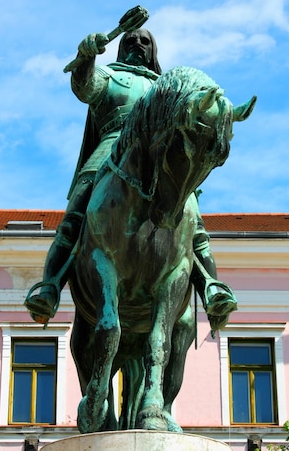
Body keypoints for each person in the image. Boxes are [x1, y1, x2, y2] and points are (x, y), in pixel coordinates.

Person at [25, 28, 237, 331]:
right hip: (111, 152)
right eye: (131, 40)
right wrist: (86, 57)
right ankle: (50, 288)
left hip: (160, 157)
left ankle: (210, 287)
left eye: (146, 41)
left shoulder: (165, 85)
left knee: (193, 220)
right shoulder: (110, 76)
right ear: (121, 47)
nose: (138, 44)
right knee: (75, 214)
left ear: (154, 50)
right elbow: (84, 86)